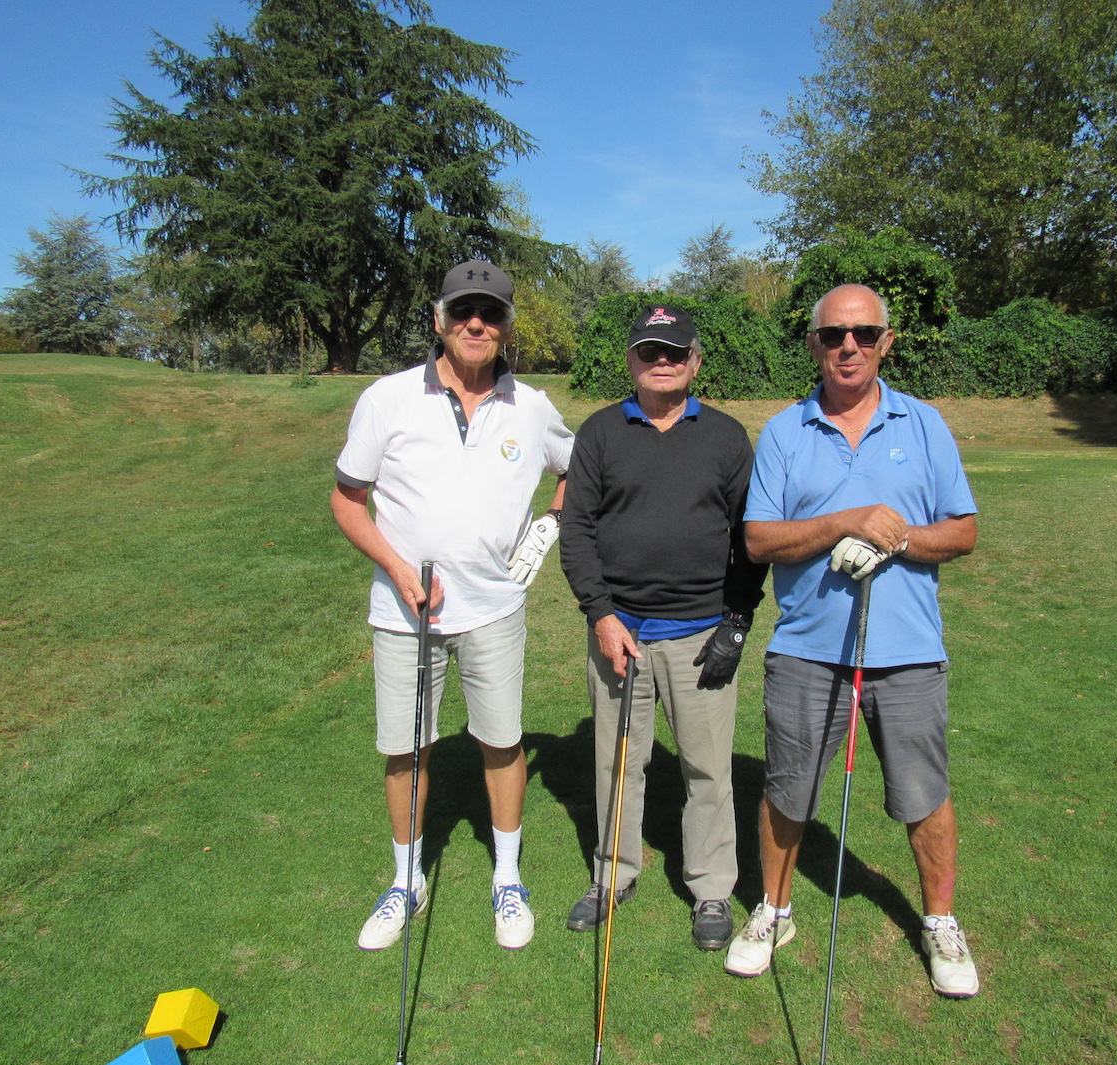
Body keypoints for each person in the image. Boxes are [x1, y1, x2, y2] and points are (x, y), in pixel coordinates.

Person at [724, 283, 981, 998]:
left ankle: (939, 923)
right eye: (835, 335)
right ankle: (774, 912)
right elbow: (759, 538)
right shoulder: (783, 431)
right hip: (808, 647)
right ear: (812, 342)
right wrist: (846, 520)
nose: (849, 347)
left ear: (886, 343)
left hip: (908, 651)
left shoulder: (924, 424)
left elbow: (962, 530)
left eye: (865, 335)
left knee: (924, 793)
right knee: (787, 791)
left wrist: (895, 538)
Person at [331, 260, 573, 952]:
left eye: (491, 313)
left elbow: (578, 467)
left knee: (501, 741)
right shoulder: (388, 398)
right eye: (464, 311)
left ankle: (507, 878)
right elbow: (347, 501)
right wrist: (396, 567)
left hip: (495, 607)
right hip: (406, 613)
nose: (477, 323)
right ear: (438, 320)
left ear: (505, 328)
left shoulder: (530, 406)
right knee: (405, 749)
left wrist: (548, 527)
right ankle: (407, 880)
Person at [558, 304, 768, 951]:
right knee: (618, 763)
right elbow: (576, 532)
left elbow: (750, 538)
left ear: (695, 362)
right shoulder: (598, 433)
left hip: (701, 633)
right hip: (621, 634)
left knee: (708, 769)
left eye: (675, 352)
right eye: (650, 352)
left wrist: (737, 620)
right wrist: (600, 612)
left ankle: (710, 888)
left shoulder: (728, 438)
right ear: (631, 361)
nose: (663, 362)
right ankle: (614, 872)